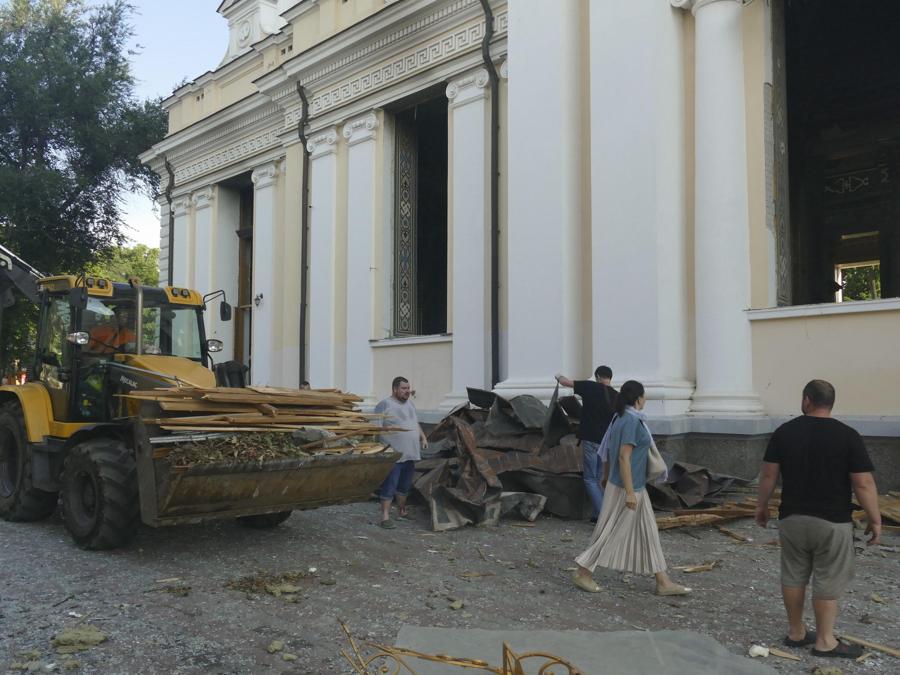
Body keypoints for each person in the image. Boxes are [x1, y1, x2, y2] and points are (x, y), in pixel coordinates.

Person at [755, 379, 881, 658]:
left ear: (807, 400)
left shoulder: (784, 432)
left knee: (793, 574)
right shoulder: (848, 435)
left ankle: (796, 632)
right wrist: (875, 519)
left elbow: (768, 474)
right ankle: (825, 641)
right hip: (832, 522)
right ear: (831, 403)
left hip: (792, 518)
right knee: (828, 577)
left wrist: (761, 506)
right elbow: (863, 483)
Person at [572, 380, 689, 596]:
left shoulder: (620, 418)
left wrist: (606, 476)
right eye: (644, 396)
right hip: (629, 488)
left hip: (629, 485)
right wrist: (628, 493)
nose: (645, 400)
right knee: (611, 532)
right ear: (638, 399)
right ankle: (583, 572)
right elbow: (623, 457)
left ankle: (663, 582)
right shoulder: (632, 422)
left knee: (649, 534)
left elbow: (608, 449)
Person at [555, 366, 617, 521]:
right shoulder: (616, 395)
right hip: (606, 442)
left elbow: (565, 382)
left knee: (590, 479)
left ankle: (603, 515)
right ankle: (597, 514)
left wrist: (558, 375)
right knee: (599, 478)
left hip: (591, 439)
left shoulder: (590, 387)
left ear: (597, 376)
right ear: (610, 377)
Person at [374, 376, 428, 529]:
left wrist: (423, 437)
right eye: (404, 388)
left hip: (410, 453)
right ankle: (385, 518)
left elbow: (415, 423)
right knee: (390, 486)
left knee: (404, 486)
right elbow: (375, 429)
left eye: (408, 388)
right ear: (395, 389)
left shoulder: (410, 404)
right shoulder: (384, 404)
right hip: (394, 455)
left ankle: (401, 512)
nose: (407, 391)